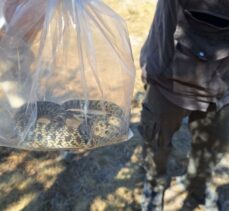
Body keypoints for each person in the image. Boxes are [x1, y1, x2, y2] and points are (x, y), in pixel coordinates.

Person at [139, 0, 229, 210]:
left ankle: (196, 186)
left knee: (211, 147)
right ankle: (154, 184)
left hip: (223, 87)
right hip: (166, 78)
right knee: (155, 141)